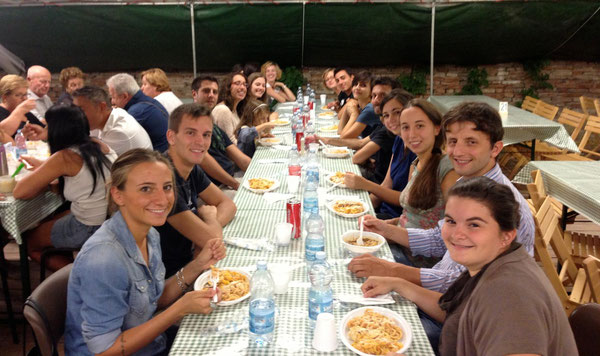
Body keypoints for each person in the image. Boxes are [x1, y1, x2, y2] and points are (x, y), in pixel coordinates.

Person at [348, 101, 535, 351]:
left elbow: (455, 287)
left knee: (369, 334)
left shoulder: (504, 207)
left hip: (462, 328)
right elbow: (440, 238)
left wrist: (393, 272)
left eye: (471, 142)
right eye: (454, 141)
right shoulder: (467, 185)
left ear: (495, 148)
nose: (458, 151)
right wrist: (386, 230)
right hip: (441, 299)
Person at [361, 177, 577, 355]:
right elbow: (456, 311)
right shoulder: (491, 263)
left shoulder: (510, 295)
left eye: (474, 224)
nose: (457, 234)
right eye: (451, 221)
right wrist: (399, 284)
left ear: (506, 236)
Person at [65, 148, 226, 355]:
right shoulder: (104, 258)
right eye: (146, 189)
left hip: (151, 344)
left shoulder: (150, 235)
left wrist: (198, 265)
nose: (162, 199)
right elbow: (105, 350)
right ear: (118, 195)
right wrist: (180, 308)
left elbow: (153, 300)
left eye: (167, 187)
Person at [13, 105, 116, 271]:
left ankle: (81, 276)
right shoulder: (98, 145)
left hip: (88, 225)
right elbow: (80, 172)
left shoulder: (65, 156)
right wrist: (43, 167)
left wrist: (42, 172)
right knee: (44, 221)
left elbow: (20, 191)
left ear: (58, 130)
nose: (47, 130)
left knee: (30, 242)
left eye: (49, 127)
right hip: (109, 219)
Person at [156, 103, 236, 278]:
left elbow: (228, 204)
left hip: (192, 258)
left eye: (206, 134)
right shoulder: (162, 181)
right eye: (190, 133)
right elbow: (213, 241)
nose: (200, 141)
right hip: (170, 280)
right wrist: (208, 219)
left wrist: (206, 228)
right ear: (171, 137)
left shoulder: (190, 167)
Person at [344, 89, 416, 218]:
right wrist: (360, 208)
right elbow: (387, 184)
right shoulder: (399, 140)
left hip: (397, 217)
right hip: (383, 210)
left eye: (397, 113)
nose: (391, 120)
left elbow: (406, 201)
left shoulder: (417, 150)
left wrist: (366, 185)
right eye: (386, 115)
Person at [191, 76, 250, 192]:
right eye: (206, 91)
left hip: (230, 180)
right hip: (213, 188)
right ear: (194, 94)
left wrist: (260, 171)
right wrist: (236, 185)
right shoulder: (191, 123)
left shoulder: (211, 123)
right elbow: (204, 160)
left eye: (215, 92)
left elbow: (238, 156)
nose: (211, 95)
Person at [73, 86, 153, 155]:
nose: (77, 115)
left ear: (101, 107)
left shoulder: (120, 133)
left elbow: (92, 164)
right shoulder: (113, 114)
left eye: (81, 110)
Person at [106, 73, 169, 152]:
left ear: (125, 96)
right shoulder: (148, 102)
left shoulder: (137, 112)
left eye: (113, 97)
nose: (112, 102)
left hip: (160, 159)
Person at [0, 74, 44, 140]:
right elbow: (2, 135)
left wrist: (40, 131)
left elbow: (43, 130)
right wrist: (20, 110)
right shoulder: (2, 112)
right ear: (5, 97)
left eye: (25, 94)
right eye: (18, 95)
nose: (24, 98)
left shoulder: (26, 113)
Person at [337, 71, 380, 139]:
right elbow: (339, 132)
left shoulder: (370, 109)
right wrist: (347, 107)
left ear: (372, 92)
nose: (357, 87)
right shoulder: (360, 106)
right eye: (355, 84)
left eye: (363, 85)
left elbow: (343, 137)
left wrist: (354, 114)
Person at [212, 72, 247, 145]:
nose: (242, 87)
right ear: (227, 87)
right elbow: (230, 143)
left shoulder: (234, 109)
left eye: (244, 84)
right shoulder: (223, 110)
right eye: (237, 83)